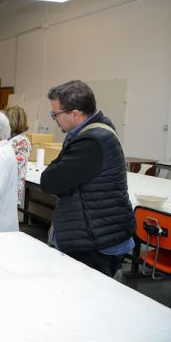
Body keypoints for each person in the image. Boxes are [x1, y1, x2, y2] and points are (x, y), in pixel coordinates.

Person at [40, 79, 136, 277]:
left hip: (96, 239)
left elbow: (49, 181)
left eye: (55, 114)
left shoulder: (91, 140)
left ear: (75, 114)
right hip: (97, 231)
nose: (54, 119)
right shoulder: (88, 132)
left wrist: (57, 169)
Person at [4, 105, 32, 208]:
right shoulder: (10, 138)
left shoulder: (21, 141)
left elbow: (13, 167)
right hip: (4, 188)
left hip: (10, 190)